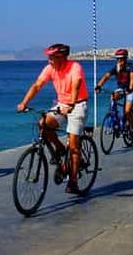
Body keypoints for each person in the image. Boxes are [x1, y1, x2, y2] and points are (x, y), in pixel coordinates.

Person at [17, 43, 89, 194]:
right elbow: (37, 85)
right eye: (48, 57)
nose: (49, 60)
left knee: (75, 146)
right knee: (43, 124)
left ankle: (73, 181)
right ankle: (60, 147)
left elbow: (76, 84)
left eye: (51, 57)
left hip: (77, 104)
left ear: (61, 57)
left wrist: (71, 104)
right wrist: (24, 102)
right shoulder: (50, 69)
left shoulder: (75, 67)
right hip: (61, 104)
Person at [95, 48, 133, 129]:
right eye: (118, 59)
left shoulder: (130, 67)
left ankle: (132, 126)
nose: (119, 60)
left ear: (125, 59)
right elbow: (106, 76)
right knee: (113, 97)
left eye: (121, 58)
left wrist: (130, 88)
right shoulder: (116, 68)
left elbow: (132, 78)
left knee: (127, 111)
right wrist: (99, 86)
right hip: (121, 88)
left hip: (131, 90)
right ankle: (114, 117)